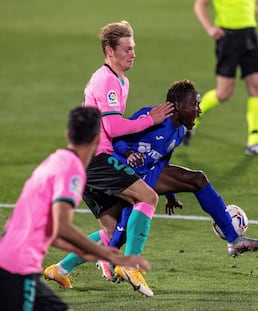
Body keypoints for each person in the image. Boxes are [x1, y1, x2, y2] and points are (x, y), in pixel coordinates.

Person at [45, 80, 258, 291]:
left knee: (116, 230)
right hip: (110, 172)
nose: (199, 110)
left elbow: (162, 161)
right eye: (195, 104)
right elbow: (117, 137)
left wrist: (169, 193)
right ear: (179, 106)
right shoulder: (153, 117)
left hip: (132, 177)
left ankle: (61, 269)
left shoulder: (179, 132)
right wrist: (129, 152)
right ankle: (115, 261)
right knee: (119, 231)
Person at [44, 21, 173, 297]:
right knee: (148, 198)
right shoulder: (106, 80)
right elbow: (113, 127)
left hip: (88, 161)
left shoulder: (121, 80)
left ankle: (61, 269)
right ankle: (131, 266)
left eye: (134, 48)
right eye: (127, 49)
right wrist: (149, 120)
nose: (133, 54)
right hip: (94, 160)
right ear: (109, 50)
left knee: (113, 231)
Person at [0, 106, 151, 311]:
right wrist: (112, 256)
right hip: (16, 268)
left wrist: (81, 250)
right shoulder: (72, 170)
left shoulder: (54, 161)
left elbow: (46, 228)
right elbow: (63, 226)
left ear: (68, 134)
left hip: (7, 260)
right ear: (97, 139)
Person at [188, 0, 258, 155]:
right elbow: (199, 4)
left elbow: (256, 3)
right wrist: (209, 28)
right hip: (227, 38)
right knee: (223, 94)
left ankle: (254, 141)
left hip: (250, 36)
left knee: (257, 86)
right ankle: (193, 118)